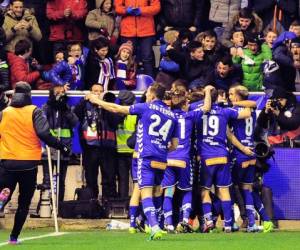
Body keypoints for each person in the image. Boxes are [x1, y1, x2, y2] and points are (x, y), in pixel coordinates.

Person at [87, 82, 178, 240]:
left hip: (146, 157)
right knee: (157, 192)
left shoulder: (145, 107)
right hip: (162, 159)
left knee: (145, 192)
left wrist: (98, 101)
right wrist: (161, 149)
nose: (147, 95)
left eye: (148, 92)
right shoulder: (172, 115)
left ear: (152, 95)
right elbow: (175, 145)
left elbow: (118, 109)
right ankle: (156, 224)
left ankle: (154, 227)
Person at [0, 82, 69, 244]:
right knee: (24, 202)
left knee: (6, 190)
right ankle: (13, 238)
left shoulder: (4, 113)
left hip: (7, 161)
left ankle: (3, 199)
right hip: (28, 163)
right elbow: (44, 133)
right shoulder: (34, 111)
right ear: (29, 94)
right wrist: (61, 146)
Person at [199, 88, 251, 233]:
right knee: (224, 190)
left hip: (206, 157)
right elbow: (247, 112)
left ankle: (208, 222)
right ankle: (228, 224)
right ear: (218, 98)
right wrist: (241, 101)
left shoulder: (198, 110)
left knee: (205, 191)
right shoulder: (225, 111)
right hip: (222, 155)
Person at [228, 84, 274, 233]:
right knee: (247, 189)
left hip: (239, 154)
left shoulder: (233, 111)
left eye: (231, 94)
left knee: (227, 188)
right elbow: (253, 103)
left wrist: (241, 148)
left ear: (237, 96)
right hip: (252, 153)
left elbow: (230, 134)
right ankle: (256, 222)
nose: (229, 97)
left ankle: (231, 223)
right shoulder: (252, 110)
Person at [74, 83, 119, 200]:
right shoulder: (85, 105)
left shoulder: (109, 105)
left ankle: (108, 203)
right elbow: (75, 115)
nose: (97, 94)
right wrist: (84, 101)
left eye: (100, 91)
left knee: (109, 178)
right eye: (95, 91)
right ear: (90, 92)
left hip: (108, 147)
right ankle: (91, 203)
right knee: (91, 178)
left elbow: (115, 122)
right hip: (90, 147)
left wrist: (104, 105)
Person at [40, 85, 78, 202]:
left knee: (61, 181)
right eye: (57, 92)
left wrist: (65, 109)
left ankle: (59, 205)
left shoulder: (68, 108)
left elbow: (75, 122)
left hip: (64, 150)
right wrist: (52, 105)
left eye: (62, 92)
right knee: (47, 179)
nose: (60, 95)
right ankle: (44, 205)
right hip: (50, 150)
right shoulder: (46, 107)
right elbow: (43, 124)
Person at [114, 0, 160, 78]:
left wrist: (142, 10)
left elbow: (156, 7)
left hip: (146, 30)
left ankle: (150, 85)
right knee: (126, 59)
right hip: (128, 30)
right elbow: (117, 8)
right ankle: (123, 84)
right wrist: (126, 10)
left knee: (147, 59)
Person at [115, 90, 137, 199]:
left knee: (134, 181)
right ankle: (124, 206)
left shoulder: (135, 113)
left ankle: (133, 206)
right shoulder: (118, 113)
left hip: (133, 153)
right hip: (122, 152)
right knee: (124, 180)